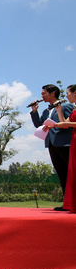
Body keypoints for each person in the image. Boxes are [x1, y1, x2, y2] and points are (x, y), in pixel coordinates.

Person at [31, 84, 73, 211]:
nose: (42, 96)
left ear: (52, 93)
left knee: (71, 174)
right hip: (51, 144)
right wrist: (34, 111)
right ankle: (67, 203)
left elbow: (68, 123)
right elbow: (39, 124)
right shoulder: (46, 111)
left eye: (44, 93)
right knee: (62, 174)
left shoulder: (65, 106)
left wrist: (56, 125)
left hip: (65, 144)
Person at [54, 84, 76, 212]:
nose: (66, 95)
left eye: (68, 93)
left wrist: (67, 123)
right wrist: (59, 110)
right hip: (74, 140)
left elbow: (69, 124)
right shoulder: (74, 109)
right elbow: (65, 124)